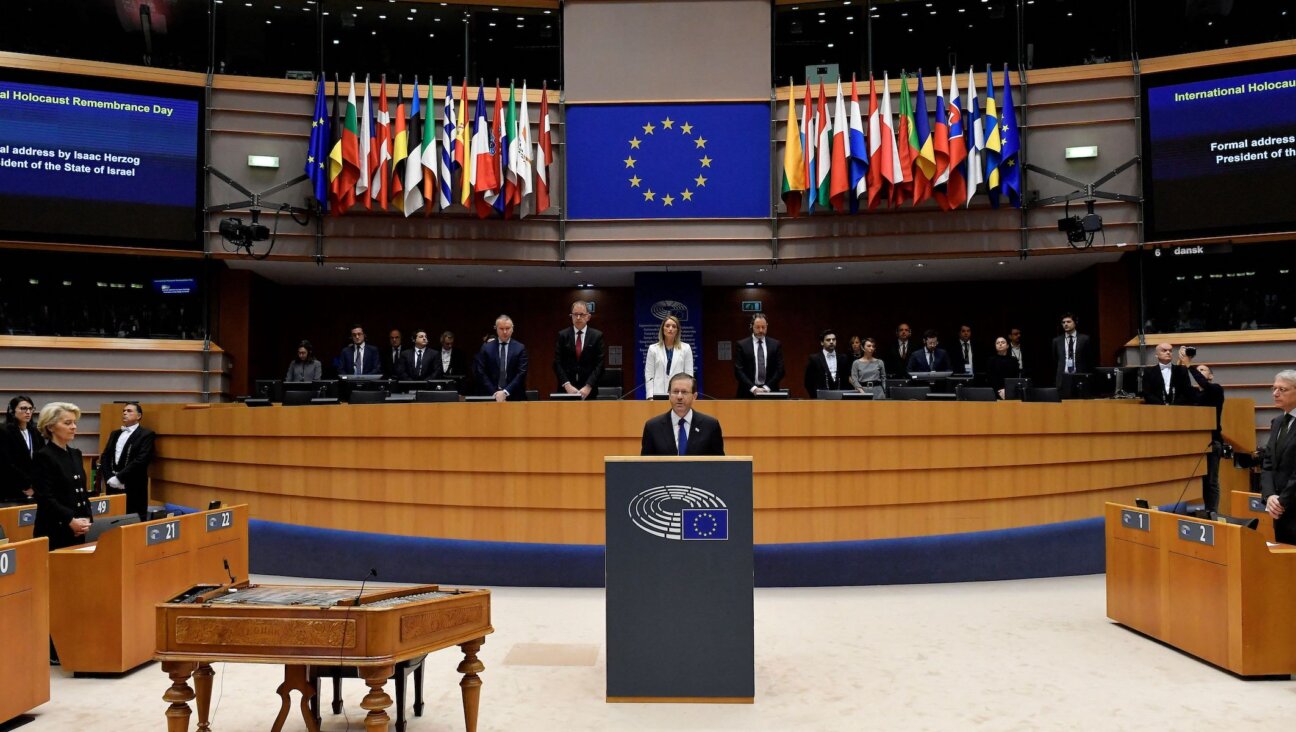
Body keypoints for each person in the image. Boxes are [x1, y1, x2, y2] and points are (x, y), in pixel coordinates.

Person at [31, 402, 92, 550]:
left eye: (74, 422)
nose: (73, 427)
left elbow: (81, 491)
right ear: (50, 427)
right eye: (67, 423)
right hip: (55, 527)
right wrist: (69, 520)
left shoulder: (75, 454)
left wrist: (86, 518)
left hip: (79, 527)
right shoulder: (43, 456)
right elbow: (45, 497)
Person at [640, 373, 725, 456]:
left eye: (684, 392)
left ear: (694, 396)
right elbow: (645, 466)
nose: (679, 397)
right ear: (669, 395)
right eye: (675, 392)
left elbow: (719, 465)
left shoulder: (710, 426)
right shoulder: (653, 427)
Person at [100, 401, 156, 521]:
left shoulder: (146, 434)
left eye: (129, 411)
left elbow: (141, 460)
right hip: (112, 484)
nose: (125, 413)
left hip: (134, 485)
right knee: (113, 519)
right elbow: (105, 456)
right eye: (124, 411)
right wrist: (109, 478)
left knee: (133, 519)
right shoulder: (115, 433)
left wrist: (120, 477)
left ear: (138, 416)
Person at [1261, 370, 1296, 544]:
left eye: (1282, 389)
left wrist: (1282, 501)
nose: (1275, 393)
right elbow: (1268, 463)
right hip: (1279, 512)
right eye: (1274, 388)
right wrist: (1269, 497)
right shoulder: (1277, 422)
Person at [1187, 362, 1225, 514]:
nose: (1200, 372)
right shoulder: (1195, 394)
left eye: (1203, 370)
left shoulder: (1216, 389)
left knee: (1211, 481)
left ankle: (1213, 512)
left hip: (1212, 441)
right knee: (1202, 481)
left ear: (1211, 375)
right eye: (1198, 370)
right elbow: (1182, 385)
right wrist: (1180, 366)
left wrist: (1189, 366)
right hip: (1196, 442)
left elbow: (1204, 384)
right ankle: (1206, 510)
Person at [553, 300, 606, 399]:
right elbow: (557, 363)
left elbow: (600, 364)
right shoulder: (563, 335)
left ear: (588, 317)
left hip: (589, 391)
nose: (578, 318)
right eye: (575, 314)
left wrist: (588, 386)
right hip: (566, 390)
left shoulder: (597, 336)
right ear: (571, 316)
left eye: (581, 314)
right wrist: (567, 385)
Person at [473, 314, 529, 401]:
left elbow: (521, 373)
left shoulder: (520, 348)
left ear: (512, 329)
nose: (505, 332)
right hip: (491, 396)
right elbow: (481, 372)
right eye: (501, 329)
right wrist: (495, 393)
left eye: (507, 328)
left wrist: (505, 392)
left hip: (515, 396)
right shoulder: (487, 348)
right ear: (496, 329)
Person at [1, 396, 44, 504]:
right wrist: (26, 485)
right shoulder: (3, 431)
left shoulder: (36, 431)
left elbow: (42, 459)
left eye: (30, 408)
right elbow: (6, 463)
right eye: (23, 408)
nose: (28, 412)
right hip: (10, 486)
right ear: (12, 410)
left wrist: (35, 485)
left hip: (35, 488)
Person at [733, 313, 784, 398]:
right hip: (747, 392)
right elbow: (738, 371)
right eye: (757, 327)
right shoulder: (742, 345)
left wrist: (766, 387)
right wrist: (753, 388)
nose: (761, 330)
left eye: (763, 327)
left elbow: (780, 370)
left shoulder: (775, 345)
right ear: (751, 326)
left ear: (767, 326)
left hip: (770, 392)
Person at [644, 314, 693, 399]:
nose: (670, 329)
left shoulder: (686, 348)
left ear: (677, 330)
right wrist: (650, 396)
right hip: (657, 394)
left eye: (674, 326)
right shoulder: (653, 349)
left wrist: (688, 395)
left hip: (679, 394)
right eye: (667, 326)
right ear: (663, 329)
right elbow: (649, 375)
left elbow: (689, 375)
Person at [804, 328, 849, 397]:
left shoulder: (843, 358)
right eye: (828, 340)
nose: (831, 342)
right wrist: (815, 397)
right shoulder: (814, 358)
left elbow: (846, 379)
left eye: (833, 339)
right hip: (820, 399)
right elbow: (808, 382)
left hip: (840, 397)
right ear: (822, 342)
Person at [1051, 313, 1092, 386]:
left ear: (1075, 323)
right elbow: (1055, 359)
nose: (1065, 324)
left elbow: (1089, 358)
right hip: (1063, 377)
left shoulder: (1084, 339)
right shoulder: (1056, 341)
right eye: (1063, 322)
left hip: (1080, 376)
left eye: (1068, 322)